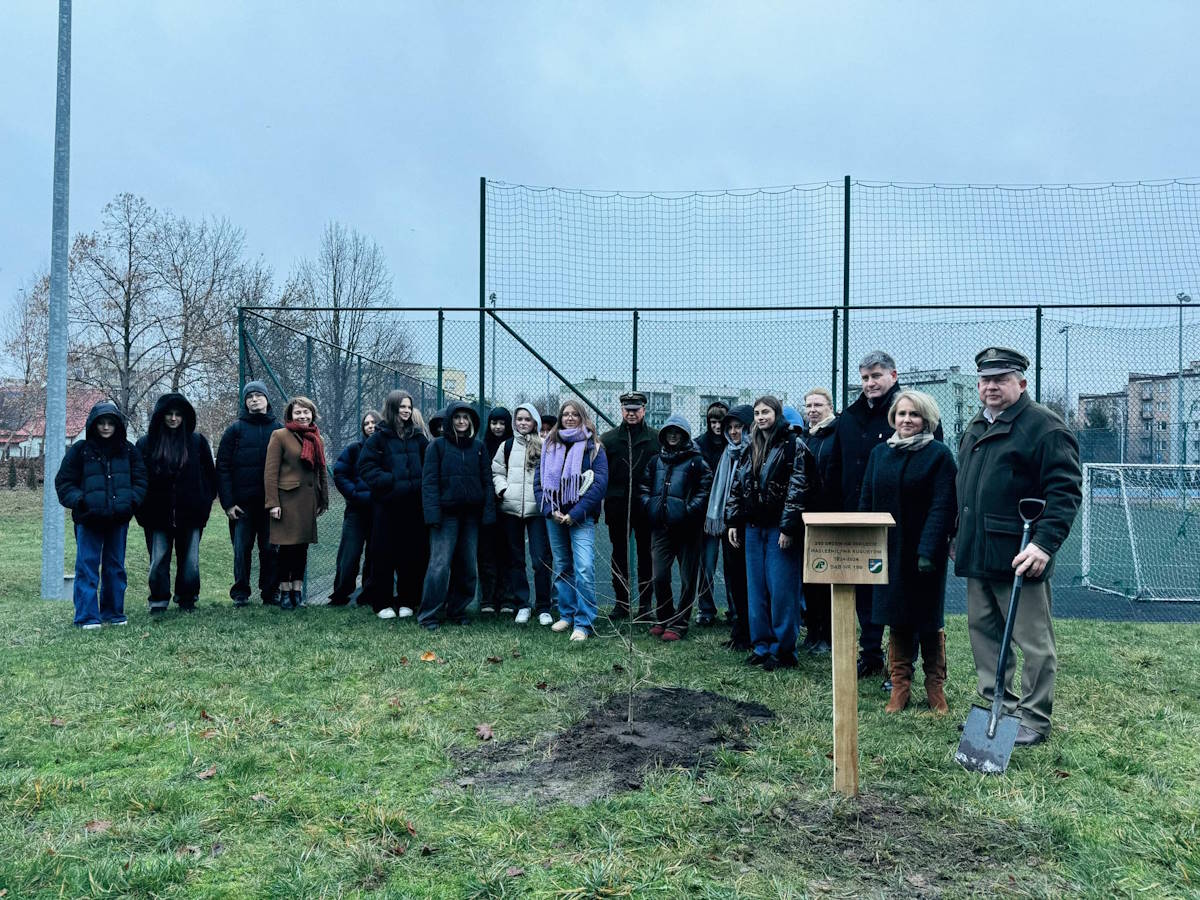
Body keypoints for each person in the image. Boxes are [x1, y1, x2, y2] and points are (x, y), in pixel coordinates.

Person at [955, 347, 1082, 747]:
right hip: (977, 552)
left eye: (1001, 379)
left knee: (1034, 643)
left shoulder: (1043, 427)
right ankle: (999, 709)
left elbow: (1064, 490)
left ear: (1021, 383)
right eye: (985, 380)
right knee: (985, 636)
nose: (991, 386)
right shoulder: (976, 425)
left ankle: (1034, 719)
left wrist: (1044, 544)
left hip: (1020, 556)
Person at [828, 351, 943, 681]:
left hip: (906, 526)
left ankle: (906, 664)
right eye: (864, 377)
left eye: (876, 376)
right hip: (859, 518)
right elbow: (836, 468)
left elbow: (933, 470)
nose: (870, 383)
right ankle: (871, 653)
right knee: (867, 591)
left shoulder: (913, 413)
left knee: (906, 596)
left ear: (893, 375)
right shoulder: (848, 418)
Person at [859, 391, 957, 714]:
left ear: (926, 419)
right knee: (897, 619)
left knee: (928, 620)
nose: (906, 420)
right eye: (901, 414)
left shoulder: (939, 456)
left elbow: (943, 506)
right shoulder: (878, 454)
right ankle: (900, 687)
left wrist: (929, 550)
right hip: (889, 551)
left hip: (924, 555)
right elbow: (867, 501)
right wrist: (864, 541)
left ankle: (934, 688)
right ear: (893, 419)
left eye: (914, 415)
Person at [725, 396, 814, 671]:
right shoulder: (749, 446)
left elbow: (798, 488)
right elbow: (737, 486)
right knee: (757, 590)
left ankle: (784, 649)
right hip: (753, 527)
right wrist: (732, 521)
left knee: (782, 590)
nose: (761, 416)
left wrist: (788, 527)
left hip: (779, 529)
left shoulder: (792, 445)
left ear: (776, 414)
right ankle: (761, 645)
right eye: (757, 412)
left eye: (766, 411)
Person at [55, 400, 147, 628]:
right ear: (93, 425)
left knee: (115, 567)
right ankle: (87, 616)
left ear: (117, 426)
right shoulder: (80, 451)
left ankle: (113, 613)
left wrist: (130, 504)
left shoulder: (129, 451)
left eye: (110, 423)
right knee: (87, 567)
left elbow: (141, 481)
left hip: (118, 520)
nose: (106, 427)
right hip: (88, 521)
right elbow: (64, 482)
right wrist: (81, 501)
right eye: (101, 423)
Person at [134, 392, 217, 614]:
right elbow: (137, 478)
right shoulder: (146, 444)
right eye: (169, 414)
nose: (173, 418)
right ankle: (159, 600)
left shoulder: (197, 442)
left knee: (190, 561)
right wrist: (141, 510)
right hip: (156, 515)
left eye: (178, 414)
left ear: (184, 417)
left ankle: (187, 598)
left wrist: (204, 504)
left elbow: (210, 477)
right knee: (158, 559)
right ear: (160, 416)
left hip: (191, 514)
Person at [419, 401, 496, 630]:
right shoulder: (437, 447)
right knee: (439, 566)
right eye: (457, 417)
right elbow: (429, 483)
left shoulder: (479, 447)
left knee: (468, 567)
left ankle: (457, 610)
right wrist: (432, 515)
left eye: (465, 417)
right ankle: (429, 615)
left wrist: (488, 513)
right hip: (445, 517)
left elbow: (487, 482)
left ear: (471, 421)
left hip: (471, 517)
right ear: (449, 420)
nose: (461, 421)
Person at [536, 399, 609, 642]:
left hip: (581, 518)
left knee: (584, 568)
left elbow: (599, 485)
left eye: (574, 414)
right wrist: (549, 510)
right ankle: (566, 614)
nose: (569, 418)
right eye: (565, 414)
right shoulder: (549, 445)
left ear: (582, 417)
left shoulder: (593, 447)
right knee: (563, 566)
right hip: (554, 518)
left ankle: (584, 621)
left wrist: (574, 514)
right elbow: (539, 484)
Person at [357, 390, 430, 619]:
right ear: (392, 408)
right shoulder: (378, 437)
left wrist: (418, 486)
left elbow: (429, 467)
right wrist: (390, 482)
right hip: (387, 506)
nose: (407, 410)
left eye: (409, 406)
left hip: (413, 506)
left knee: (412, 554)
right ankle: (383, 603)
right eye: (402, 407)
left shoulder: (418, 437)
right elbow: (366, 468)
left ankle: (408, 600)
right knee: (384, 555)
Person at [639, 414, 712, 641]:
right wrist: (650, 506)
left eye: (678, 432)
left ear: (685, 435)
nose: (673, 435)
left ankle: (679, 623)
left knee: (688, 579)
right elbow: (643, 486)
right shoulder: (656, 460)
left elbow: (704, 489)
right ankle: (664, 616)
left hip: (688, 530)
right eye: (669, 431)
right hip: (661, 528)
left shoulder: (697, 461)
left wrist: (688, 512)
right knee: (659, 576)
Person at [216, 381, 281, 607]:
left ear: (267, 399)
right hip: (242, 506)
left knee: (270, 550)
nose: (254, 400)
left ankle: (270, 593)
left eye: (258, 395)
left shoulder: (279, 430)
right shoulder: (235, 430)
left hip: (271, 504)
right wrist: (228, 503)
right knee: (241, 550)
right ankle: (241, 594)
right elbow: (222, 467)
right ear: (245, 402)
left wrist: (280, 501)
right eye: (249, 397)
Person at [263, 396, 329, 610]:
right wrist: (273, 503)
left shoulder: (316, 438)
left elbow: (320, 470)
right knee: (286, 549)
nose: (302, 416)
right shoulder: (280, 435)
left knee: (301, 548)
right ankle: (284, 592)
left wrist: (322, 499)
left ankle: (297, 592)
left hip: (308, 501)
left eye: (306, 412)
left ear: (312, 414)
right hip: (286, 501)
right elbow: (270, 472)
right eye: (298, 412)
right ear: (290, 415)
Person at [492, 403, 554, 625]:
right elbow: (496, 470)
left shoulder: (546, 446)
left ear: (534, 422)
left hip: (537, 511)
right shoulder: (506, 446)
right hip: (510, 510)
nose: (523, 423)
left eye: (527, 419)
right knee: (516, 560)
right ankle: (522, 604)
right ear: (514, 422)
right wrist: (503, 489)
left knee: (541, 560)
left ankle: (544, 606)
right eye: (519, 419)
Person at [599, 391, 657, 622]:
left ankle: (645, 606)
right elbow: (602, 475)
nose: (631, 413)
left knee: (646, 556)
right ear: (621, 410)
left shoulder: (655, 439)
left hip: (644, 508)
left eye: (636, 409)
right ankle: (621, 604)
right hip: (618, 507)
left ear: (644, 410)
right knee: (619, 556)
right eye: (627, 409)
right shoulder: (609, 439)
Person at [705, 404, 752, 650]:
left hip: (747, 526)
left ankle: (750, 632)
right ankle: (740, 630)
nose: (734, 432)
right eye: (730, 428)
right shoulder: (728, 453)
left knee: (748, 581)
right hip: (728, 525)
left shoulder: (753, 451)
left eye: (738, 427)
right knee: (734, 579)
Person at [801, 387, 838, 654]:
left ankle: (828, 635)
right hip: (806, 516)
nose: (813, 410)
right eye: (809, 405)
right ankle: (812, 632)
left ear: (829, 407)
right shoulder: (806, 437)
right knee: (810, 577)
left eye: (818, 405)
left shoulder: (837, 435)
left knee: (827, 578)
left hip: (830, 514)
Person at [329, 410, 379, 606]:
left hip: (379, 511)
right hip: (356, 511)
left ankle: (368, 594)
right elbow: (340, 474)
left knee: (374, 556)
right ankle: (341, 594)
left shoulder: (385, 450)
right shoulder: (353, 449)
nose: (370, 426)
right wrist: (354, 494)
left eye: (374, 422)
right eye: (366, 423)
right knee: (349, 555)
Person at [694, 400, 729, 626]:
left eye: (721, 421)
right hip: (707, 515)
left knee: (733, 567)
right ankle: (706, 609)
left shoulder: (735, 444)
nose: (717, 426)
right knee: (706, 564)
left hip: (731, 513)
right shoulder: (698, 445)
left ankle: (736, 610)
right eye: (713, 421)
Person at [478, 406, 514, 614]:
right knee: (486, 554)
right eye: (494, 422)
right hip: (486, 508)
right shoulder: (482, 446)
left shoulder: (513, 447)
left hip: (508, 507)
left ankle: (508, 599)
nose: (498, 427)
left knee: (508, 552)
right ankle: (488, 599)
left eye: (502, 423)